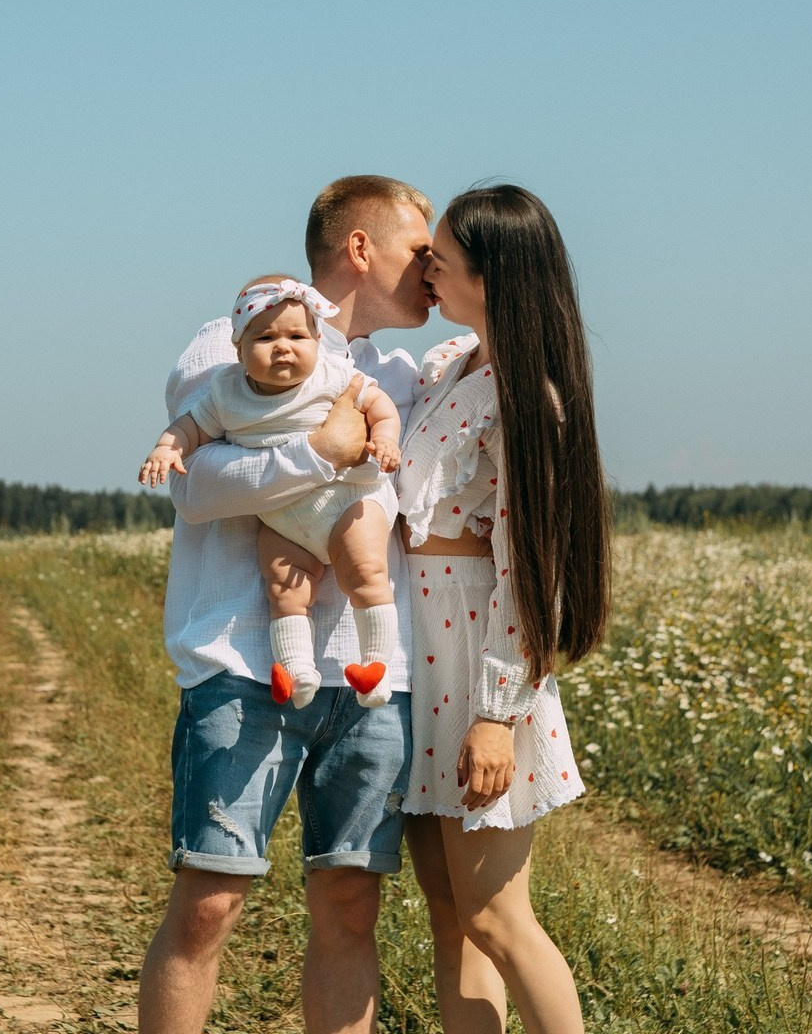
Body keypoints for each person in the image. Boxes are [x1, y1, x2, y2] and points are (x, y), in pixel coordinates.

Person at [137, 175, 434, 1034]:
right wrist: (321, 449)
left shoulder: (406, 373)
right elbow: (197, 491)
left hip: (374, 677)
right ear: (359, 248)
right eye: (419, 251)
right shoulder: (228, 344)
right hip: (242, 666)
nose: (432, 271)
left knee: (349, 910)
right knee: (208, 906)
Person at [397, 182, 611, 1034]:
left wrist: (496, 713)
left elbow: (532, 569)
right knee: (453, 921)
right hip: (419, 652)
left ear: (492, 276)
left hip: (476, 661)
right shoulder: (449, 365)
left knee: (499, 920)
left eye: (440, 260)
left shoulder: (531, 400)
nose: (427, 271)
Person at [138, 274, 403, 709]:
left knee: (366, 570)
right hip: (282, 516)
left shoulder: (333, 375)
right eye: (265, 338)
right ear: (238, 350)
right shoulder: (225, 392)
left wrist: (386, 438)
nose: (283, 347)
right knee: (283, 584)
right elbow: (190, 428)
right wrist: (167, 449)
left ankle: (375, 667)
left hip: (347, 501)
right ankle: (297, 669)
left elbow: (378, 406)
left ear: (318, 341)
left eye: (298, 335)